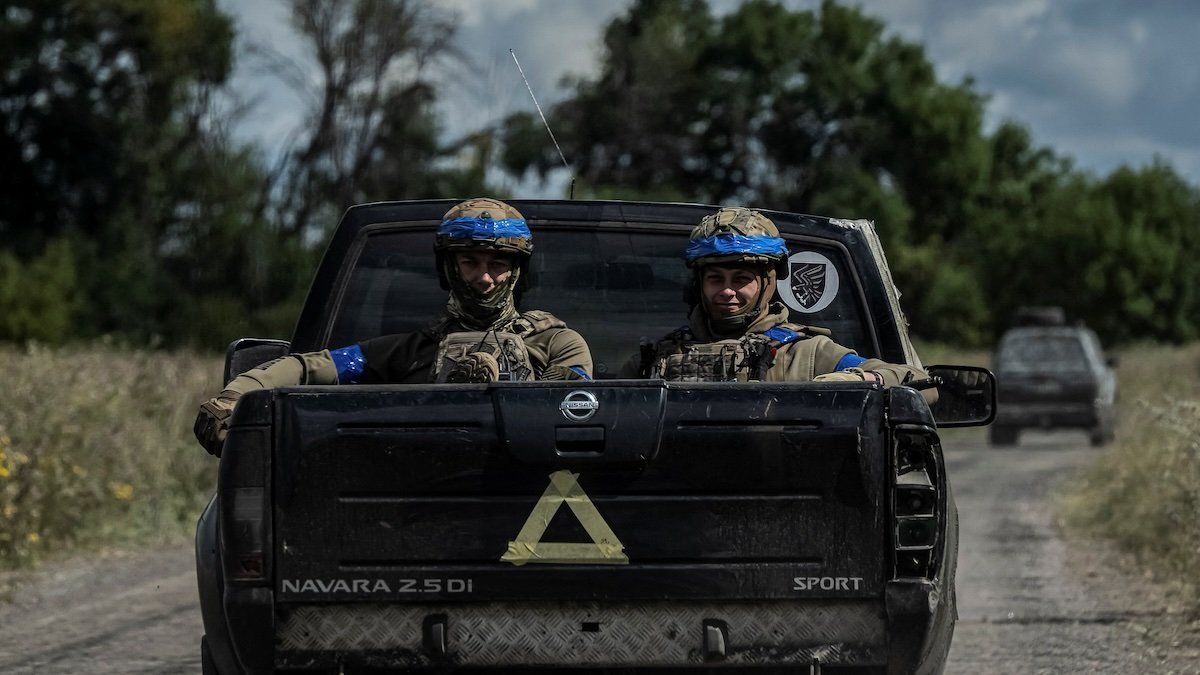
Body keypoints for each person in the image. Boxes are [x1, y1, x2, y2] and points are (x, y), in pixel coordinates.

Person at [194, 198, 592, 455]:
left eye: (497, 265)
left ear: (516, 272)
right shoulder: (407, 353)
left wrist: (504, 385)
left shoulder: (558, 342)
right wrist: (235, 398)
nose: (484, 278)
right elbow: (309, 368)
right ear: (448, 268)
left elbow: (572, 397)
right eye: (470, 263)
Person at [641, 206, 932, 391]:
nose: (727, 291)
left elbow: (916, 380)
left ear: (767, 283)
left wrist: (859, 381)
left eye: (741, 280)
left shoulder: (806, 354)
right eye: (715, 279)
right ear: (699, 285)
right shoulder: (662, 356)